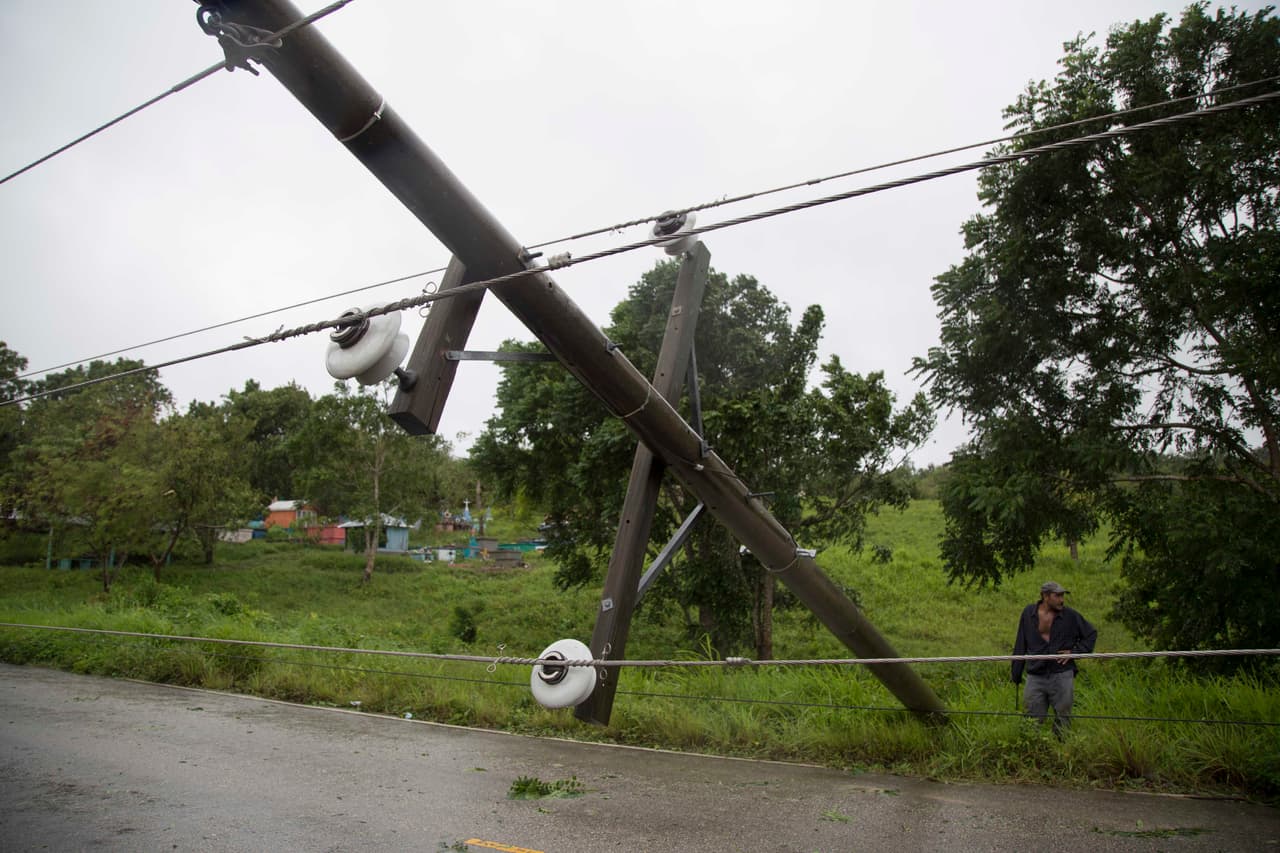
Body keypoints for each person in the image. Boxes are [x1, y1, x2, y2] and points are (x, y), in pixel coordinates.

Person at [1011, 581, 1097, 736]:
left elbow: (1090, 634)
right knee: (1031, 719)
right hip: (1036, 674)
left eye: (1063, 595)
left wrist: (1075, 652)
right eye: (1057, 596)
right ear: (1045, 596)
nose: (1062, 600)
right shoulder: (1028, 613)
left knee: (1063, 718)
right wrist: (1016, 673)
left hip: (1062, 673)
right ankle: (1031, 750)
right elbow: (1020, 642)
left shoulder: (1070, 616)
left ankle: (1062, 750)